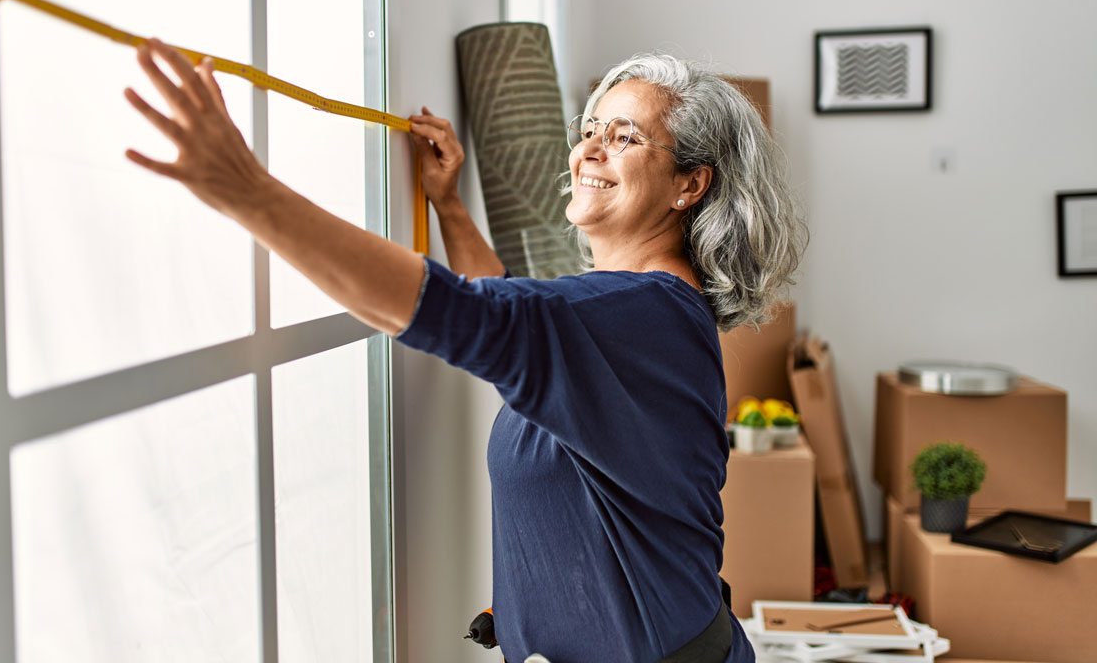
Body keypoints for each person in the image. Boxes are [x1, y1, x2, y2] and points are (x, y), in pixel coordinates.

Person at [125, 39, 806, 663]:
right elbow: (509, 320)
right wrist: (448, 207)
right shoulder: (626, 315)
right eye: (590, 130)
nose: (591, 150)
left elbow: (467, 316)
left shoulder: (639, 315)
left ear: (690, 185)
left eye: (624, 137)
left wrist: (246, 189)